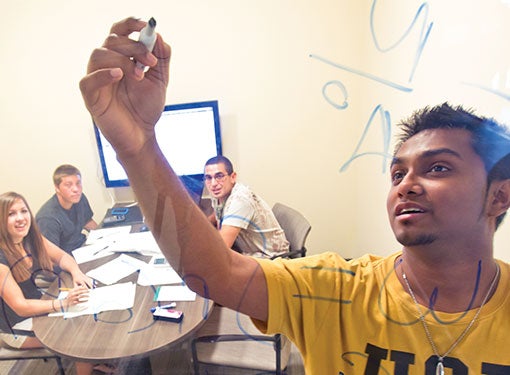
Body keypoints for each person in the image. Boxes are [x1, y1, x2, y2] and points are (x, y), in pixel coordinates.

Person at [80, 17, 510, 373]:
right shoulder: (335, 291)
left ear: (499, 196)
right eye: (397, 172)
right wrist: (137, 148)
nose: (406, 184)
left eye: (438, 168)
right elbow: (212, 270)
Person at [0, 192, 95, 375]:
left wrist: (76, 273)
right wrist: (63, 303)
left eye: (23, 211)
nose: (20, 218)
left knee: (86, 317)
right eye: (11, 214)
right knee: (81, 339)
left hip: (39, 309)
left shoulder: (30, 238)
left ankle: (90, 363)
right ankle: (87, 361)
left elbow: (61, 256)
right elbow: (20, 307)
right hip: (17, 327)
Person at [204, 155, 289, 258]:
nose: (213, 183)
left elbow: (221, 249)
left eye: (219, 176)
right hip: (250, 253)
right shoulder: (219, 193)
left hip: (270, 259)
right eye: (208, 178)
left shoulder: (240, 200)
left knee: (207, 263)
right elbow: (216, 216)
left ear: (233, 177)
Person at [36, 164, 98, 254]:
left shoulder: (79, 199)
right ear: (57, 188)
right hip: (65, 258)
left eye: (78, 183)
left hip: (82, 247)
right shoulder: (48, 218)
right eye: (68, 185)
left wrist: (105, 238)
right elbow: (52, 256)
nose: (76, 189)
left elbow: (87, 221)